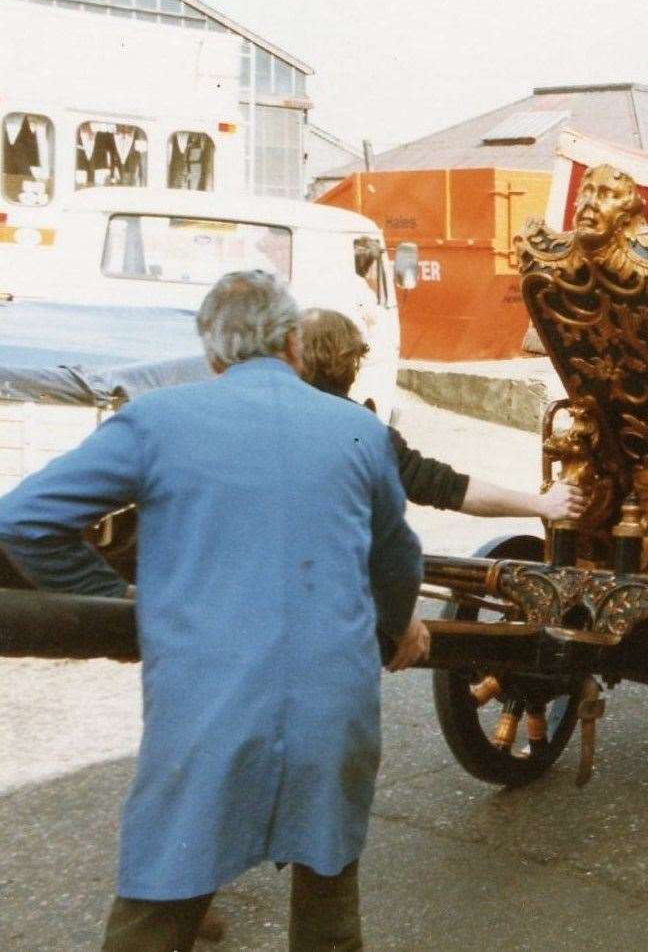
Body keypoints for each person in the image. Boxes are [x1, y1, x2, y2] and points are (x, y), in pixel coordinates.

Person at [0, 270, 428, 951]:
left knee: (163, 893)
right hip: (333, 701)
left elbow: (23, 520)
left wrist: (115, 605)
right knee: (329, 902)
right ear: (293, 342)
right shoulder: (358, 430)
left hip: (210, 701)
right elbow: (399, 557)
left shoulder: (158, 420)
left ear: (212, 354)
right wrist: (392, 625)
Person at [296, 308, 583, 519]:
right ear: (349, 362)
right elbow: (447, 488)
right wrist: (542, 505)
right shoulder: (357, 428)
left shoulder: (263, 412)